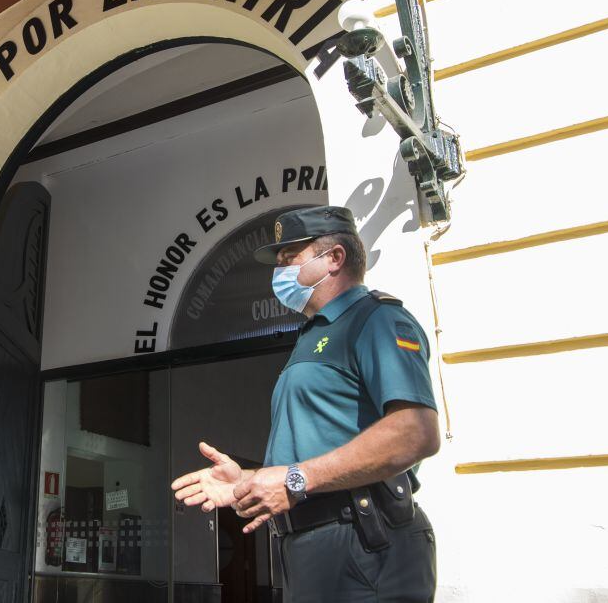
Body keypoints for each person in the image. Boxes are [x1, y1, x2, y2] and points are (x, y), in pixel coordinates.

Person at [172, 205, 440, 602]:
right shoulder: (311, 338)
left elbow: (415, 433)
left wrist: (294, 480)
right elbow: (319, 449)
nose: (278, 271)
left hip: (365, 543)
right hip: (310, 545)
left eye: (288, 258)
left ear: (334, 258)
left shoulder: (375, 321)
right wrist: (248, 480)